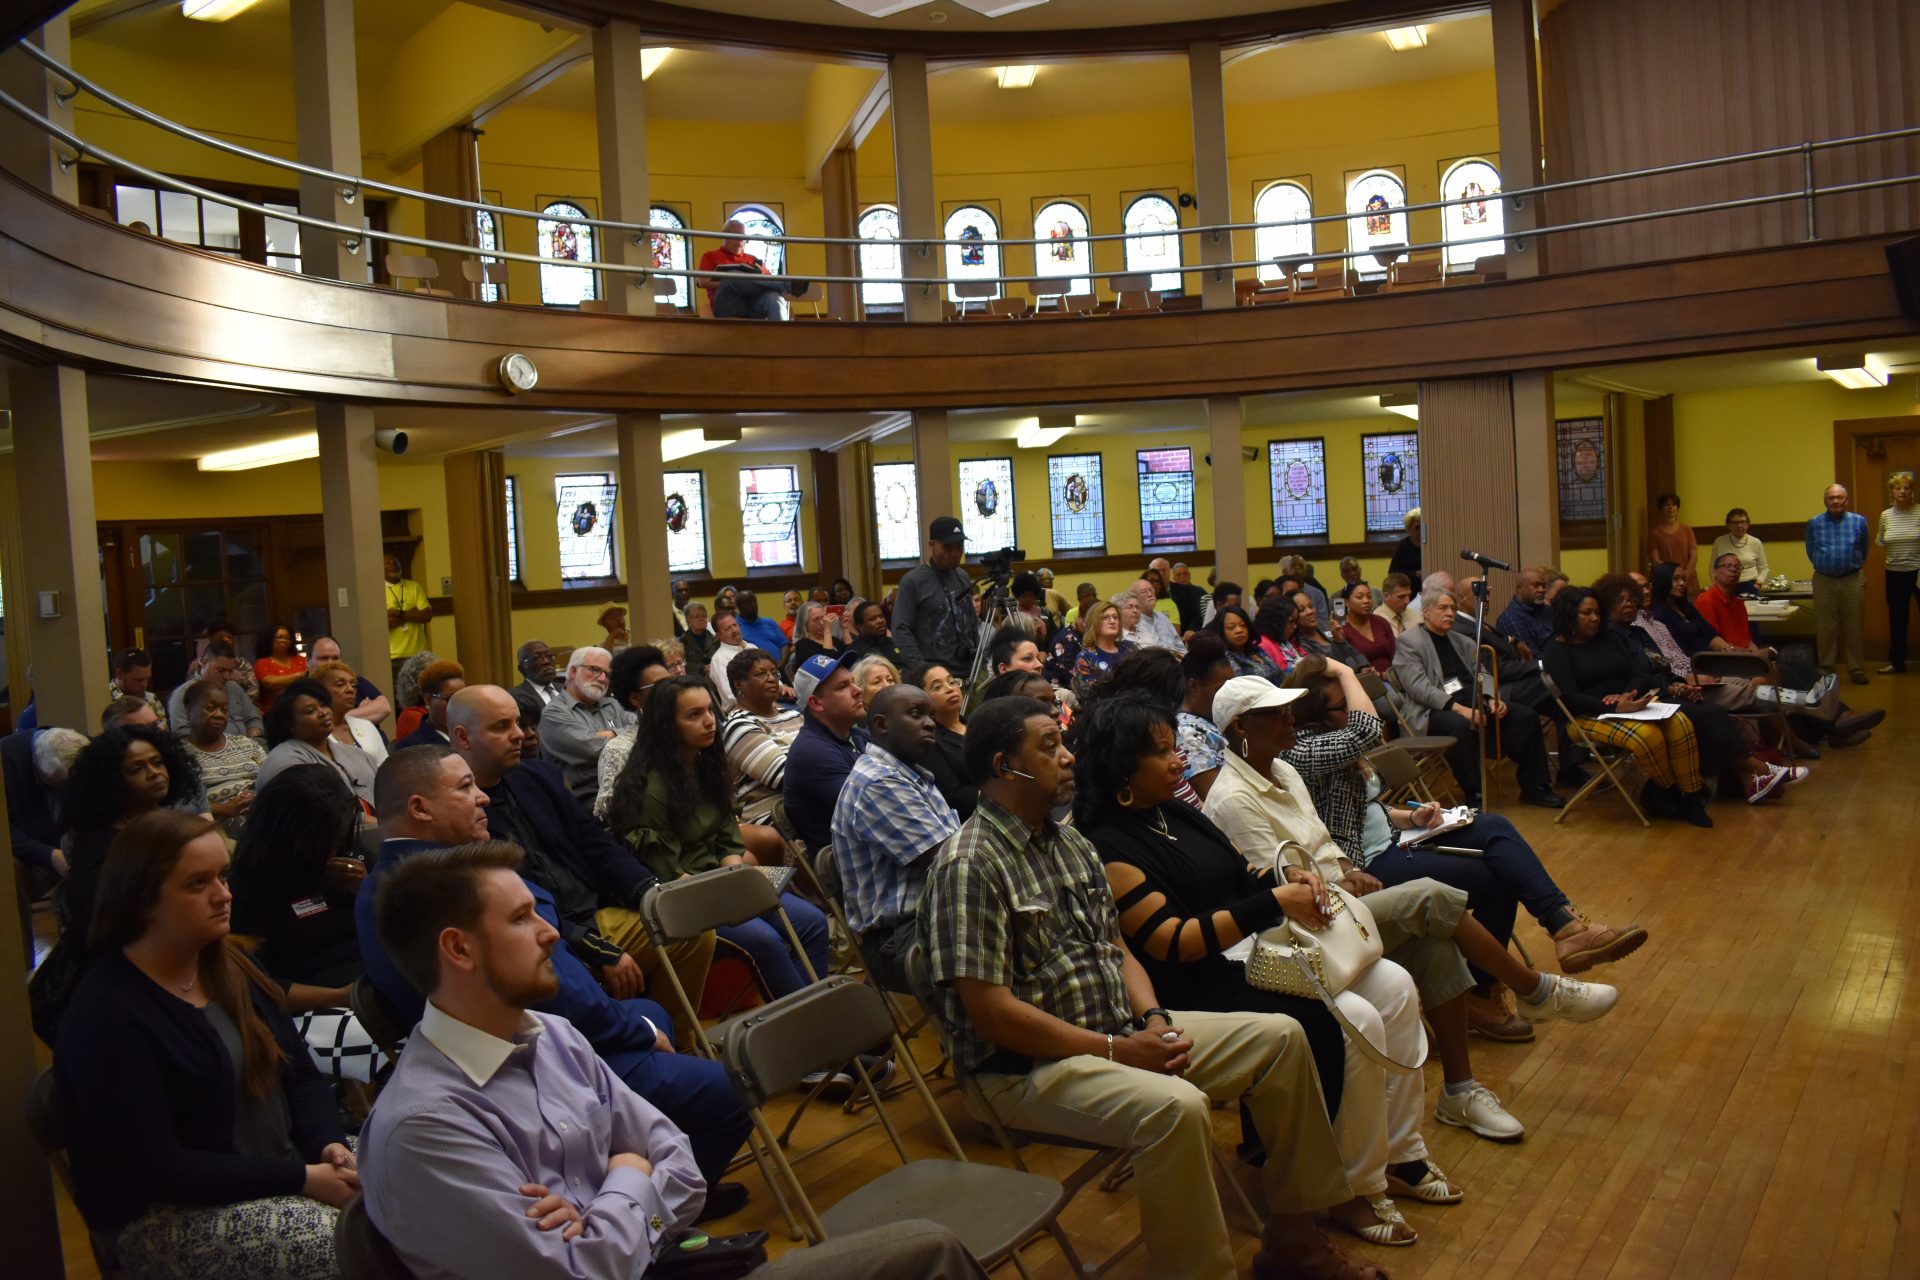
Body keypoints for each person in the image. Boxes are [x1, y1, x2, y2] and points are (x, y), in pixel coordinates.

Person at [358, 843, 986, 1280]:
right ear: (459, 949)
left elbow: (681, 1165)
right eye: (523, 919)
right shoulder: (425, 1125)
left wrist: (600, 1207)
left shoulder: (551, 1035)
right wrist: (628, 1172)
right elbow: (590, 1268)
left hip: (673, 1263)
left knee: (929, 1251)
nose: (551, 933)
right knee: (927, 1255)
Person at [918, 695, 1379, 1280]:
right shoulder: (970, 865)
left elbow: (1116, 948)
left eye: (1065, 744)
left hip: (1115, 1032)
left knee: (1284, 1037)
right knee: (1178, 1108)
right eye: (1050, 746)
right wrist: (1118, 1050)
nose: (1068, 758)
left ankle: (1293, 1238)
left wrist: (1155, 1019)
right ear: (1007, 766)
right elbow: (994, 1017)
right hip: (1024, 1069)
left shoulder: (1068, 844)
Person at [1079, 691, 1435, 1243]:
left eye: (1176, 748)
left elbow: (1237, 870)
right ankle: (1352, 1184)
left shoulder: (1170, 810)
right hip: (1193, 987)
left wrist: (1282, 881)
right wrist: (1271, 903)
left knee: (1395, 984)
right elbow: (1173, 944)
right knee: (1355, 1021)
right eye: (1162, 753)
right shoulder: (1108, 845)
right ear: (1122, 764)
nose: (1179, 762)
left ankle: (1402, 1152)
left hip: (1240, 954)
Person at [1203, 676, 1617, 1146]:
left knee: (1437, 941)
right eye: (1276, 713)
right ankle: (1535, 990)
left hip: (1341, 899)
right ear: (1240, 726)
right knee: (1432, 894)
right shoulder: (1234, 798)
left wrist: (1346, 868)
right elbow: (1285, 887)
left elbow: (1322, 843)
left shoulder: (1283, 771)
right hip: (1305, 928)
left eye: (1288, 710)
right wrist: (1343, 878)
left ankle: (1460, 1092)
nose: (1290, 718)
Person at [357, 749, 752, 1207]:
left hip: (536, 1036)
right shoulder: (445, 885)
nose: (483, 798)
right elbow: (556, 994)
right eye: (465, 787)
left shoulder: (401, 879)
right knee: (730, 1087)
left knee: (652, 1012)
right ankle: (661, 1207)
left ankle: (636, 1162)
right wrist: (632, 1033)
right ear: (420, 808)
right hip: (519, 1059)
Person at [56, 812, 356, 1280]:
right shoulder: (107, 1015)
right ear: (143, 899)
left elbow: (300, 1073)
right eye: (198, 884)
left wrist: (329, 1146)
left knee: (422, 1179)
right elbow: (161, 1169)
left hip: (283, 1163)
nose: (224, 894)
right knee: (352, 1246)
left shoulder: (228, 964)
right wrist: (303, 1178)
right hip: (168, 1214)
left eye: (223, 875)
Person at [1281, 657, 1647, 1034]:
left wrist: (1410, 817)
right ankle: (1483, 997)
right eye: (1342, 705)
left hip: (1395, 840)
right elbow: (1368, 730)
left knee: (1495, 826)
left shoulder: (1329, 740)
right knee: (1494, 879)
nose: (1352, 708)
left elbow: (1363, 806)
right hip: (1364, 868)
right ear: (1312, 713)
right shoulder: (1303, 751)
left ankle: (1564, 926)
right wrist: (1343, 669)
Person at [448, 687, 716, 1026]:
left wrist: (650, 889)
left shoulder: (537, 776)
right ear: (462, 737)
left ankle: (677, 1042)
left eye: (517, 723)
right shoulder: (456, 808)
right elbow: (501, 904)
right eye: (501, 727)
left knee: (688, 924)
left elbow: (595, 843)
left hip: (594, 911)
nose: (520, 735)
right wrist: (589, 944)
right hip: (540, 935)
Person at [604, 676, 830, 999]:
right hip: (685, 895)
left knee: (812, 921)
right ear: (667, 726)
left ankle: (820, 1016)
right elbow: (668, 872)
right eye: (693, 715)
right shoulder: (650, 787)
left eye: (710, 710)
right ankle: (810, 1030)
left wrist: (734, 874)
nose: (709, 721)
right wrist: (726, 893)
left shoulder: (705, 765)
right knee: (766, 941)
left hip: (721, 881)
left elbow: (727, 836)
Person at [227, 766, 386, 1084]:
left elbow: (394, 934)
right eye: (322, 842)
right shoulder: (245, 885)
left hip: (370, 986)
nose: (331, 851)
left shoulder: (349, 863)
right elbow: (254, 984)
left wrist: (365, 892)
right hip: (312, 1005)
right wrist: (340, 997)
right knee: (392, 1052)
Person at [1543, 588, 1713, 826]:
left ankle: (1691, 797)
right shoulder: (1556, 650)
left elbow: (1637, 674)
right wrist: (1614, 708)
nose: (1595, 618)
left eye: (1597, 612)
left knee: (1681, 723)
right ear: (1568, 615)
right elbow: (1571, 698)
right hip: (1588, 715)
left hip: (1630, 703)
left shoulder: (1610, 638)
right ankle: (1671, 791)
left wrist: (1627, 694)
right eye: (1586, 613)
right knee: (1648, 736)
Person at [829, 683, 958, 992]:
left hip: (932, 913)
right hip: (900, 938)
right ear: (882, 724)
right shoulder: (879, 782)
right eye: (916, 714)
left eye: (931, 715)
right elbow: (952, 861)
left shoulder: (909, 774)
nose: (930, 723)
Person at [1392, 583, 1563, 809]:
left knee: (1525, 716)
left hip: (1473, 701)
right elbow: (1419, 688)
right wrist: (1460, 708)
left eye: (1453, 608)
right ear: (1426, 612)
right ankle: (1474, 792)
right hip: (1433, 711)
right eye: (1443, 608)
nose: (1450, 613)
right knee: (1461, 725)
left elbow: (1482, 672)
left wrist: (1491, 697)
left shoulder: (1462, 640)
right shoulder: (1409, 642)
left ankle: (1536, 787)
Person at [781, 651, 870, 854]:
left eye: (853, 682)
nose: (857, 690)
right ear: (816, 703)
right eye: (843, 687)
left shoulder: (856, 734)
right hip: (857, 867)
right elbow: (874, 810)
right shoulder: (812, 752)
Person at [255, 679, 378, 811]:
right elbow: (319, 817)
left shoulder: (359, 755)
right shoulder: (283, 763)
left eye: (324, 705)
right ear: (289, 724)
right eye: (310, 711)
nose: (323, 712)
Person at [718, 648, 804, 824]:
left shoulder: (794, 715)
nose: (772, 679)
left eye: (774, 673)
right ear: (739, 684)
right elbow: (785, 777)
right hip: (771, 815)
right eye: (761, 674)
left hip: (806, 802)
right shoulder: (738, 725)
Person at [538, 646, 634, 802]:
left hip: (627, 789)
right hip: (586, 801)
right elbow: (592, 749)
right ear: (574, 671)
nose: (603, 679)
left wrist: (610, 734)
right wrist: (622, 733)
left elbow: (644, 730)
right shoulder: (554, 713)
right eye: (595, 670)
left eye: (607, 674)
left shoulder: (613, 705)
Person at [179, 681, 266, 838]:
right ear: (189, 710)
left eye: (224, 710)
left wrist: (259, 797)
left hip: (261, 812)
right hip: (214, 826)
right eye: (211, 708)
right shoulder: (179, 755)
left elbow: (271, 777)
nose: (219, 714)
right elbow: (179, 809)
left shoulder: (246, 745)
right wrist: (224, 808)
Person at [894, 516, 980, 672]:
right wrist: (921, 669)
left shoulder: (963, 576)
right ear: (931, 545)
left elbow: (972, 622)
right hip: (934, 672)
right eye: (947, 547)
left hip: (969, 668)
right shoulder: (913, 581)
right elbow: (901, 630)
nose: (954, 553)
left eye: (959, 547)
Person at [1806, 482, 1871, 684]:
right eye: (1831, 498)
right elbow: (1810, 550)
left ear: (1846, 500)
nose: (1835, 501)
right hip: (1824, 579)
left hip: (1852, 579)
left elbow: (1865, 549)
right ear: (1825, 501)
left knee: (1854, 626)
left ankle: (1857, 669)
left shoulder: (1859, 522)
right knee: (1826, 627)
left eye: (1839, 497)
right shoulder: (1814, 523)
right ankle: (1825, 668)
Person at [904, 662, 976, 820]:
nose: (950, 688)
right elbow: (954, 798)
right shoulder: (928, 741)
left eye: (951, 682)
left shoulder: (979, 724)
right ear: (920, 699)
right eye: (937, 687)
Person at [1174, 634, 1235, 801]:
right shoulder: (1187, 734)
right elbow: (1220, 801)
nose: (1228, 696)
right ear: (1193, 685)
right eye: (1220, 689)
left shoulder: (1218, 717)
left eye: (1232, 688)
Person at [697, 218, 793, 319]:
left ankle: (782, 333)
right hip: (727, 304)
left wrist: (745, 282)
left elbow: (768, 280)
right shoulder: (710, 256)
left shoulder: (753, 259)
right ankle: (786, 285)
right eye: (736, 235)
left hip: (752, 304)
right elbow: (703, 281)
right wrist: (733, 282)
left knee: (774, 297)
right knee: (731, 277)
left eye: (743, 236)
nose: (740, 239)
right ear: (724, 235)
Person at [167, 641, 263, 739]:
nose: (227, 676)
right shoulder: (182, 693)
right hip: (208, 749)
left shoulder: (234, 687)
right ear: (203, 663)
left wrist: (254, 734)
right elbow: (182, 733)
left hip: (246, 746)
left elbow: (253, 718)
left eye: (230, 671)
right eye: (221, 671)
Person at [1878, 472, 1920, 674]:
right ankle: (1897, 662)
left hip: (1919, 572)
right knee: (1897, 618)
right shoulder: (1886, 515)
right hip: (1894, 572)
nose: (1902, 491)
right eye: (1898, 488)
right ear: (1892, 492)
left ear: (1912, 491)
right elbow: (1882, 541)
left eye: (1906, 488)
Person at [311, 661, 388, 767]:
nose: (350, 689)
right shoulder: (313, 733)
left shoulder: (366, 726)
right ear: (320, 690)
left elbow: (385, 768)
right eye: (340, 684)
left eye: (353, 685)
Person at [307, 637, 391, 727]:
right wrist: (363, 713)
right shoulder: (302, 690)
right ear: (308, 661)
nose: (330, 663)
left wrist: (341, 718)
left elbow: (384, 707)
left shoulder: (352, 680)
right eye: (323, 658)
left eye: (335, 658)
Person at [395, 659, 466, 750]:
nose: (459, 705)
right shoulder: (411, 747)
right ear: (428, 700)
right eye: (450, 699)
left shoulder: (473, 735)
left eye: (462, 697)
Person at [185, 619, 261, 703]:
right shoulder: (199, 663)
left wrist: (241, 706)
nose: (226, 640)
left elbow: (253, 689)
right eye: (221, 637)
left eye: (230, 637)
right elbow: (191, 690)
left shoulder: (242, 663)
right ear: (211, 639)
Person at [384, 553, 433, 684]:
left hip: (419, 653)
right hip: (393, 655)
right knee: (400, 697)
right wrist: (412, 614)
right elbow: (384, 624)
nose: (394, 564)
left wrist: (398, 613)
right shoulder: (378, 591)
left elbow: (426, 615)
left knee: (422, 691)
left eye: (396, 561)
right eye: (388, 562)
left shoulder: (414, 587)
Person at [1071, 599, 1134, 697]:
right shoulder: (1086, 657)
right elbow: (1089, 695)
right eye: (1105, 617)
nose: (1112, 621)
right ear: (1094, 623)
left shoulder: (1129, 648)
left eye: (1115, 617)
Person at [1205, 602, 1280, 683]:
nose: (1239, 630)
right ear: (1221, 631)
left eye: (1243, 625)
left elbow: (1279, 674)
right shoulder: (1224, 659)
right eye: (1231, 627)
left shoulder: (1257, 650)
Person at [1335, 581, 1395, 676]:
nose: (1366, 601)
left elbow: (1395, 655)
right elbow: (1348, 665)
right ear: (1346, 602)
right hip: (1364, 681)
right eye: (1360, 597)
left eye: (1369, 596)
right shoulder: (1342, 630)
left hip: (1392, 677)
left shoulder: (1381, 622)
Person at [508, 639, 562, 741]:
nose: (546, 661)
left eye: (549, 656)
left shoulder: (568, 689)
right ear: (522, 669)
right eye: (536, 658)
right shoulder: (515, 697)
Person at [1496, 566, 1554, 659]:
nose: (1542, 590)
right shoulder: (1511, 618)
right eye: (1536, 585)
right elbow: (1532, 657)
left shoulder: (1546, 610)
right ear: (1520, 588)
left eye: (1543, 586)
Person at [107, 647, 169, 729]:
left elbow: (164, 734)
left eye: (147, 679)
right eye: (139, 680)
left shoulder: (150, 699)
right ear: (119, 674)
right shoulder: (105, 697)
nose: (144, 685)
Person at [1711, 508, 1770, 593]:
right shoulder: (1719, 542)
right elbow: (1713, 567)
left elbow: (1764, 568)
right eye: (1735, 523)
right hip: (1725, 586)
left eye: (1743, 522)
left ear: (1748, 524)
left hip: (1750, 585)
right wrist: (1716, 584)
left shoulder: (1755, 542)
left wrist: (1758, 584)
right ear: (1728, 525)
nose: (1739, 525)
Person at [252, 625, 308, 711]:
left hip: (303, 706)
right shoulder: (262, 663)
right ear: (270, 640)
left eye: (287, 638)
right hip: (276, 710)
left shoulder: (301, 660)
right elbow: (270, 683)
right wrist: (300, 676)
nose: (284, 640)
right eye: (279, 637)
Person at [1646, 492, 1697, 585]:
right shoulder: (1654, 533)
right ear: (1661, 508)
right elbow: (1654, 560)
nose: (1671, 508)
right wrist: (1672, 575)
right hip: (1665, 579)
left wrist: (1686, 573)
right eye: (1667, 505)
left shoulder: (1686, 530)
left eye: (1674, 505)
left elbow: (1693, 555)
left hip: (1687, 577)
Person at [1128, 577, 1186, 652]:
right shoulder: (1134, 623)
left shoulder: (1163, 618)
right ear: (1135, 599)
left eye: (1151, 590)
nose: (1150, 594)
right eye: (1144, 592)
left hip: (1175, 661)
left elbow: (1179, 645)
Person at [787, 599, 842, 677]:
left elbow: (852, 657)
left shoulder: (833, 639)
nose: (822, 622)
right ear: (805, 623)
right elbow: (827, 665)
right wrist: (827, 630)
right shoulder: (803, 645)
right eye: (816, 619)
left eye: (823, 617)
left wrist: (845, 628)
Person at [844, 598, 904, 667]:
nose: (880, 621)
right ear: (860, 626)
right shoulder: (854, 652)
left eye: (881, 616)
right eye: (873, 619)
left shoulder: (893, 643)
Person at [706, 609, 747, 709]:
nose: (734, 630)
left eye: (735, 625)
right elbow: (731, 696)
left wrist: (781, 687)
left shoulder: (751, 647)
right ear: (719, 635)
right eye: (728, 628)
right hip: (741, 709)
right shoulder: (719, 659)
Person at [733, 589, 789, 659]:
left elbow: (784, 645)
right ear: (739, 606)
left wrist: (781, 664)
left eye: (754, 601)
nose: (753, 604)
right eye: (749, 602)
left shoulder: (769, 622)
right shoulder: (735, 628)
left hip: (780, 666)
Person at [679, 603, 721, 678]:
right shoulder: (682, 642)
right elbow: (682, 665)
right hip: (692, 679)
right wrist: (703, 668)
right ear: (689, 622)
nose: (701, 619)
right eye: (697, 617)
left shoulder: (715, 639)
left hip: (714, 677)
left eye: (704, 616)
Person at [1377, 573, 1421, 637]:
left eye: (1408, 595)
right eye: (1401, 596)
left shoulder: (1414, 614)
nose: (1407, 601)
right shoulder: (1377, 620)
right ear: (1386, 596)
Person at [1388, 507, 1422, 587]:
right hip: (1408, 588)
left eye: (1423, 527)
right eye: (1417, 527)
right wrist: (1415, 574)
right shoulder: (1403, 546)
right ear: (1409, 528)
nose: (1421, 530)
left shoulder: (1430, 544)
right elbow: (1393, 572)